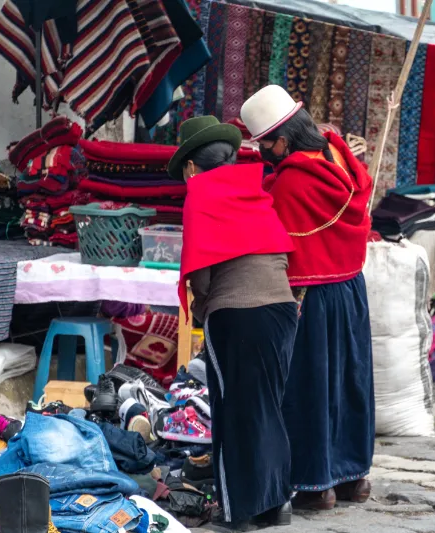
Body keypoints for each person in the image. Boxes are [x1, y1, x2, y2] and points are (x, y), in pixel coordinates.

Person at [240, 86, 375, 511]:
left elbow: (276, 236)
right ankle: (355, 477)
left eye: (264, 145)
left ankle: (317, 485)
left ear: (282, 140)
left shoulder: (294, 183)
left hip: (310, 294)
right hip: (350, 287)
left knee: (310, 386)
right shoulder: (338, 154)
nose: (264, 154)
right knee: (349, 381)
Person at [171, 116, 298, 531]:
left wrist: (204, 308)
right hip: (281, 309)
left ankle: (239, 511)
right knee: (267, 408)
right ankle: (275, 504)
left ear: (191, 167)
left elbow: (203, 275)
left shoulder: (200, 194)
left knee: (233, 413)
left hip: (237, 314)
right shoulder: (252, 188)